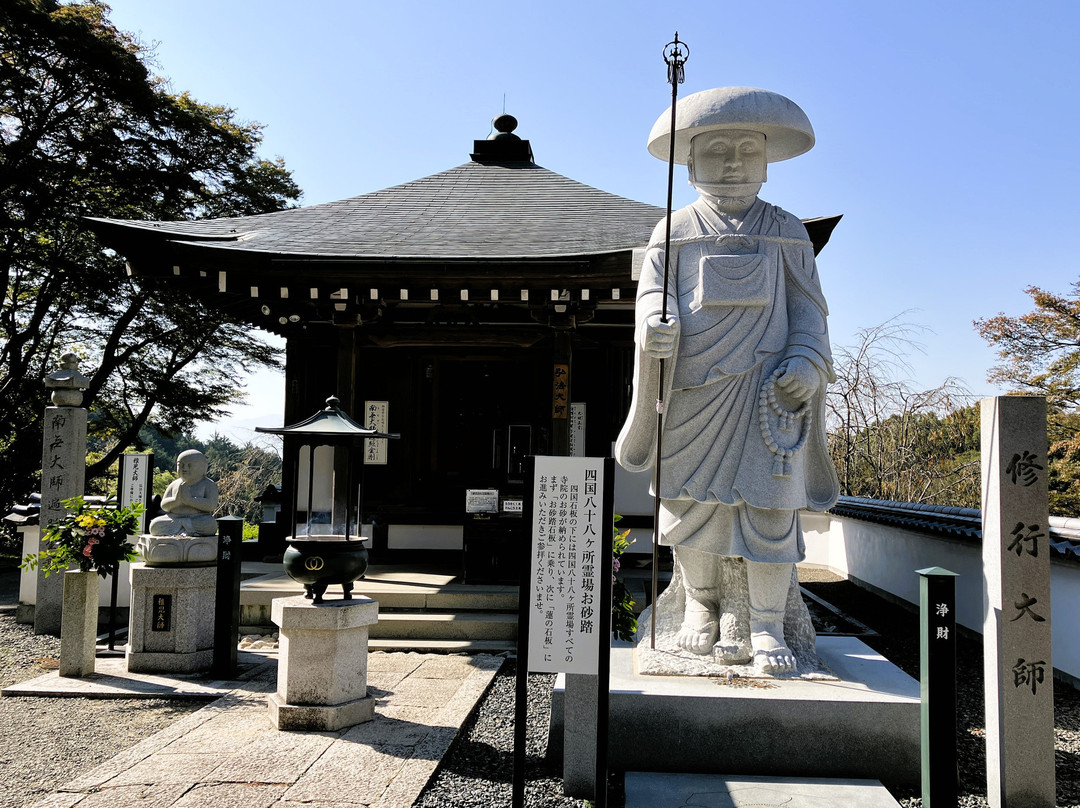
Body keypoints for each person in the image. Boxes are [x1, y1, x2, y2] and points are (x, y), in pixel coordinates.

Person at [616, 87, 839, 675]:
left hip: (769, 391)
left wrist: (807, 361)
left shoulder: (787, 231)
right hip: (693, 392)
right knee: (692, 506)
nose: (734, 162)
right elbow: (653, 293)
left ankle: (767, 624)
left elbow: (810, 311)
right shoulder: (674, 229)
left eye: (747, 149)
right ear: (689, 164)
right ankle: (699, 608)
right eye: (717, 150)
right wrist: (652, 326)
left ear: (767, 161)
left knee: (770, 511)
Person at [148, 450, 220, 537]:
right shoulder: (174, 484)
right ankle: (184, 528)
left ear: (203, 467)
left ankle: (182, 529)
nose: (185, 468)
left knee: (210, 525)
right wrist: (176, 500)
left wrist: (190, 500)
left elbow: (211, 505)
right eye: (181, 465)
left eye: (189, 465)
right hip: (174, 518)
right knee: (155, 525)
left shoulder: (209, 484)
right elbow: (164, 505)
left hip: (197, 518)